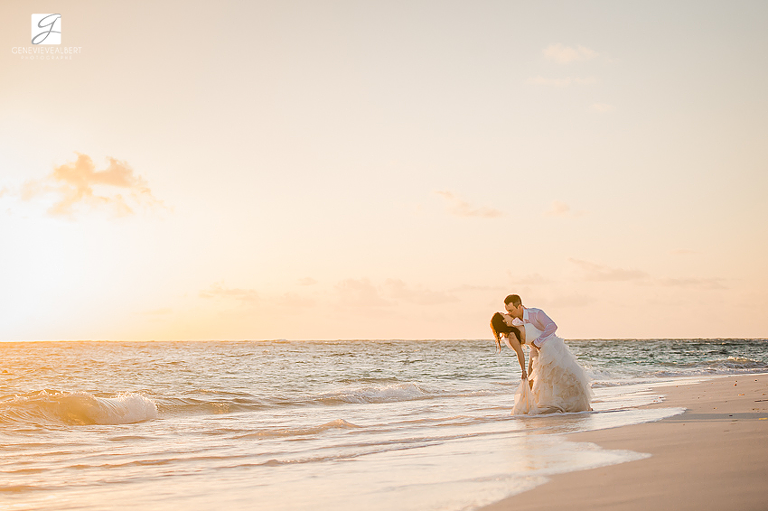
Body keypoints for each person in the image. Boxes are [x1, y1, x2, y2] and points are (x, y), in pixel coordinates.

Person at [504, 294, 592, 414]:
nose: (509, 313)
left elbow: (552, 326)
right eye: (507, 311)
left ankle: (582, 405)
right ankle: (538, 405)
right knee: (537, 380)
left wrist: (538, 342)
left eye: (511, 310)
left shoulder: (536, 313)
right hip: (535, 351)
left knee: (565, 377)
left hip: (552, 348)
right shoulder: (515, 321)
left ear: (519, 306)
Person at [490, 312, 538, 415]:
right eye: (504, 314)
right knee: (530, 380)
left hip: (537, 348)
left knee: (534, 380)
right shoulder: (511, 335)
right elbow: (519, 353)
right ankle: (530, 408)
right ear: (503, 320)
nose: (506, 313)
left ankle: (535, 406)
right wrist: (523, 370)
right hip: (537, 351)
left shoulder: (514, 325)